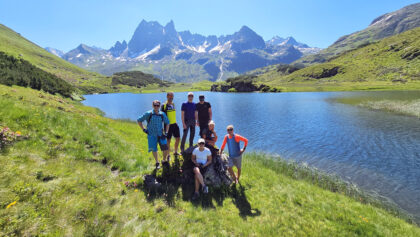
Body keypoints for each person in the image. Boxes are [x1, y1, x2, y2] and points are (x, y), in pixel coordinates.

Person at [137, 100, 170, 169]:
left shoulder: (162, 114)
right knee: (154, 149)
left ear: (159, 106)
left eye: (157, 105)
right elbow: (139, 120)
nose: (156, 107)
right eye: (155, 105)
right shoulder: (148, 114)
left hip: (161, 134)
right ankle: (157, 162)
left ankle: (163, 160)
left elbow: (167, 123)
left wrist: (166, 132)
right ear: (152, 105)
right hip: (151, 135)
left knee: (165, 148)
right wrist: (144, 129)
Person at [161, 92, 180, 156]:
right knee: (168, 140)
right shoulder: (164, 105)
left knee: (178, 138)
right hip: (168, 126)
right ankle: (168, 154)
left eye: (172, 97)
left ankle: (175, 151)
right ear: (167, 96)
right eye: (170, 97)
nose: (171, 98)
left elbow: (173, 114)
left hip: (174, 124)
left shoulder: (173, 104)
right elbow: (162, 116)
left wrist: (175, 122)